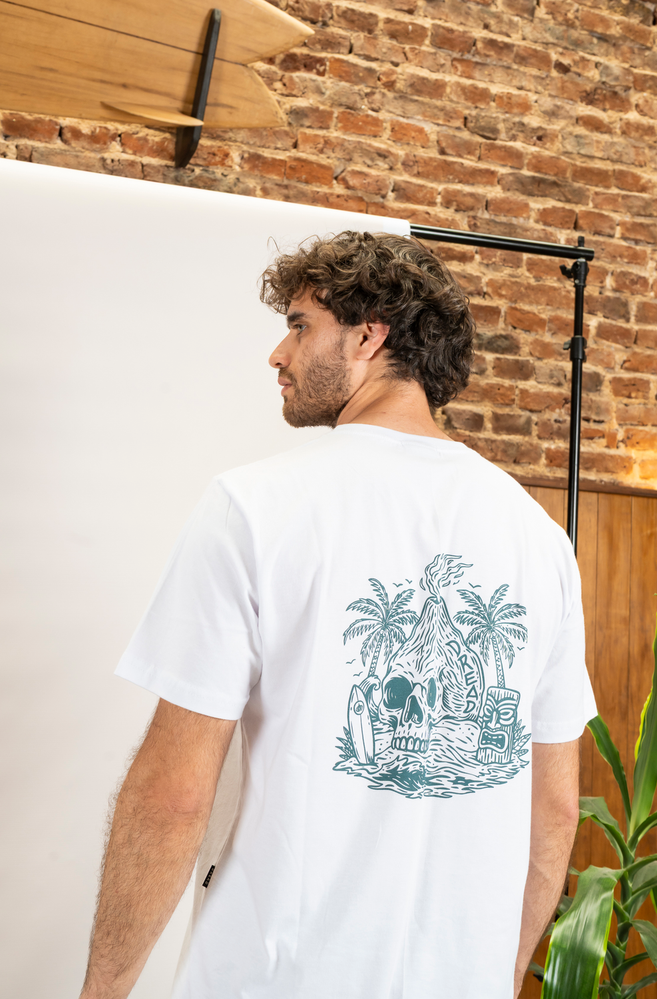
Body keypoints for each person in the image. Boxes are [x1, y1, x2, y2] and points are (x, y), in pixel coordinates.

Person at [80, 231, 595, 999]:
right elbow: (552, 810)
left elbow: (171, 796)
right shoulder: (539, 539)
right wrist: (492, 975)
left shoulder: (254, 506)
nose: (278, 354)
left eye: (299, 325)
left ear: (366, 337)